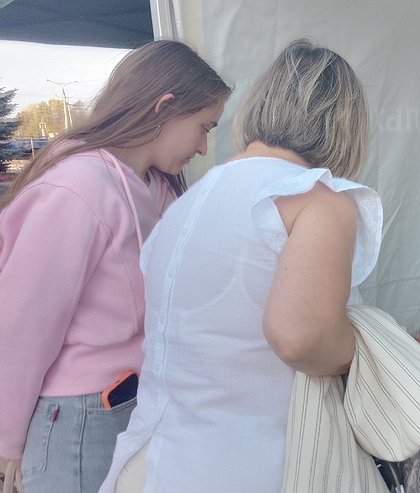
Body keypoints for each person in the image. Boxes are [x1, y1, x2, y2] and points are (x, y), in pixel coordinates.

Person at [99, 38, 381, 493]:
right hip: (249, 466)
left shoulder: (189, 200)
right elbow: (300, 337)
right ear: (345, 124)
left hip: (149, 460)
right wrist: (372, 350)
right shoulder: (319, 200)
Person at [0, 40, 230, 493]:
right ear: (164, 107)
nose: (204, 147)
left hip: (133, 407)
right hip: (78, 422)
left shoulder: (155, 187)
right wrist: (8, 439)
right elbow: (23, 327)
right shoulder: (77, 189)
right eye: (204, 127)